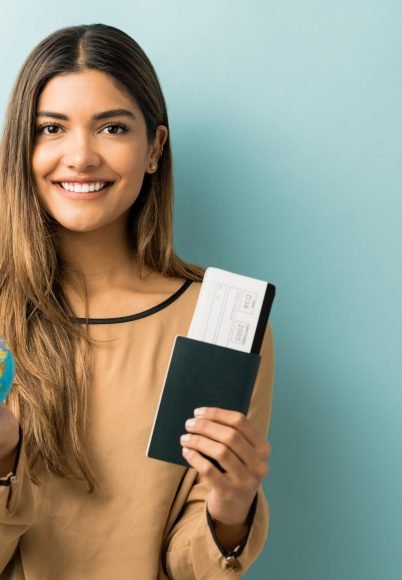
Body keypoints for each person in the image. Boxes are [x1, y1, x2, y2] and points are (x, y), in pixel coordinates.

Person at [0, 24, 273, 579]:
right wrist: (4, 464)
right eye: (51, 128)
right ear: (22, 151)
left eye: (112, 127)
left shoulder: (218, 322)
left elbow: (186, 564)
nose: (80, 156)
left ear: (154, 148)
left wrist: (231, 509)